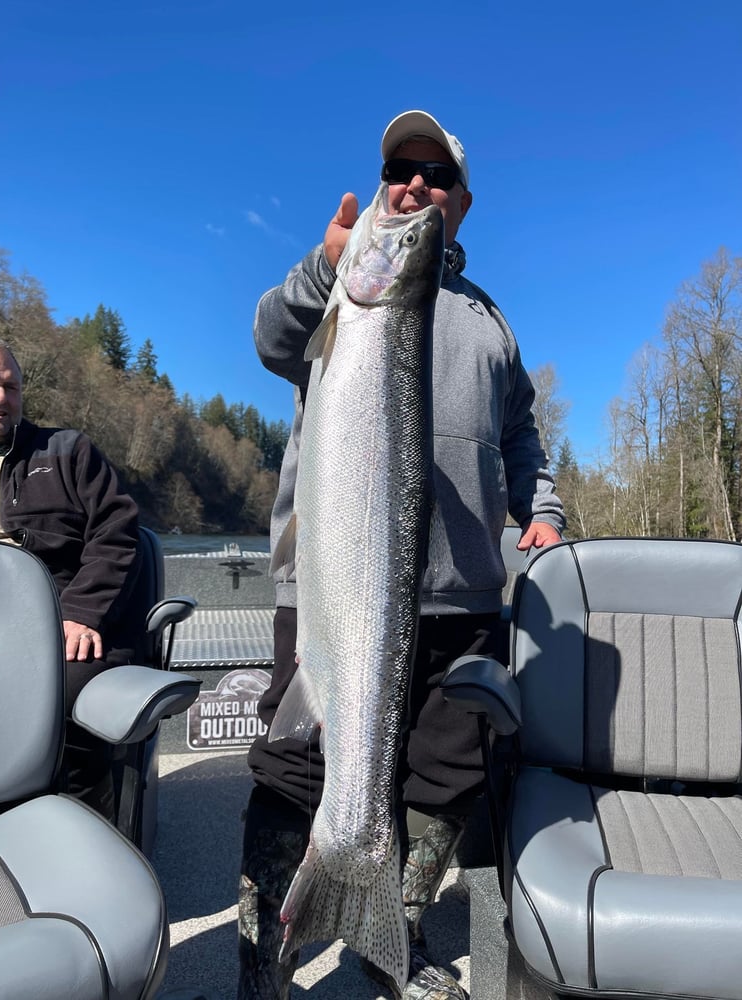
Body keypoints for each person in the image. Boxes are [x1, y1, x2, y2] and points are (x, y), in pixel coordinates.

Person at [239, 110, 566, 1000]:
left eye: (433, 177)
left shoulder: (493, 324)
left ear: (461, 203)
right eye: (399, 170)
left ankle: (390, 933)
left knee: (445, 768)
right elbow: (271, 339)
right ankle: (258, 957)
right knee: (292, 763)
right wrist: (324, 263)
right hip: (335, 584)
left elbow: (523, 436)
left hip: (460, 595)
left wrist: (540, 510)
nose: (412, 185)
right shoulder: (336, 284)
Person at [0, 338, 145, 820]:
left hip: (65, 626)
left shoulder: (67, 451)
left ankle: (83, 830)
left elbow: (118, 533)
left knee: (59, 701)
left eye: (9, 386)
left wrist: (82, 614)